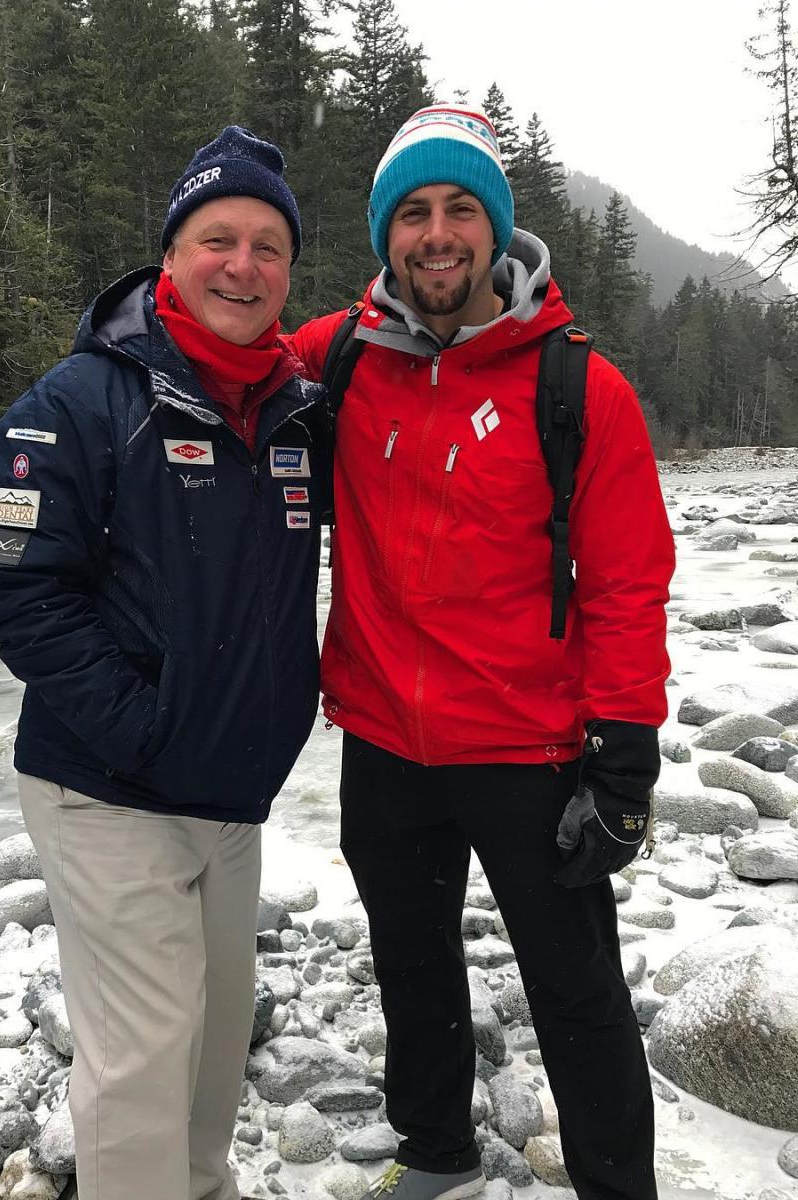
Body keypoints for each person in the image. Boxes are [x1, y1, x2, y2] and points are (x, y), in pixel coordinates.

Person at [288, 105, 675, 1200]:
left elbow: (626, 580)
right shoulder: (340, 361)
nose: (438, 234)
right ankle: (437, 1154)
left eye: (462, 209)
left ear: (497, 230)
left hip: (529, 745)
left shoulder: (577, 386)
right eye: (413, 213)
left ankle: (616, 1184)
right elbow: (224, 364)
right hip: (384, 739)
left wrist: (627, 756)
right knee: (411, 967)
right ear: (385, 236)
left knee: (578, 989)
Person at [0, 127, 327, 1200]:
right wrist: (149, 728)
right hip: (109, 786)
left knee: (216, 1037)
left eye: (269, 247)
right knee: (143, 1054)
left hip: (230, 790)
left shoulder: (297, 411)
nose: (243, 265)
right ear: (169, 256)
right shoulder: (77, 403)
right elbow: (20, 595)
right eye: (218, 238)